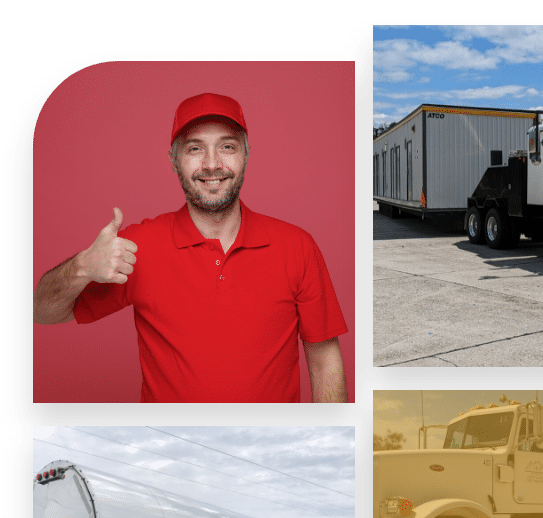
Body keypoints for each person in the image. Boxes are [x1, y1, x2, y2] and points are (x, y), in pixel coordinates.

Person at [33, 93, 349, 403]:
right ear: (174, 160)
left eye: (227, 146)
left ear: (246, 156)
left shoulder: (297, 246)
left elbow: (324, 361)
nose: (212, 164)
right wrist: (82, 267)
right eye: (195, 148)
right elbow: (42, 313)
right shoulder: (137, 246)